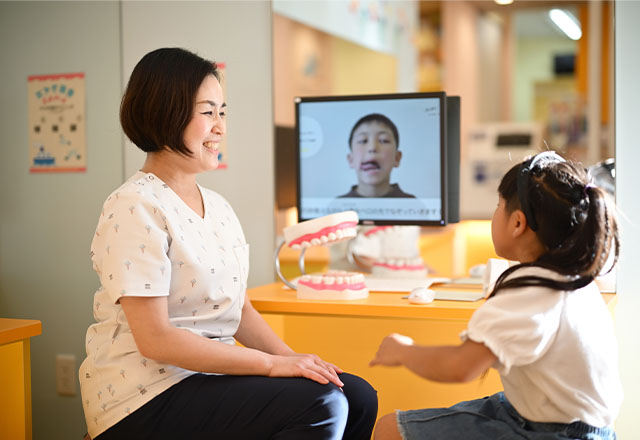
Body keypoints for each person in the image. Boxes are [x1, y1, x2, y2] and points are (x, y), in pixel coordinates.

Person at [79, 47, 377, 440]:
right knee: (322, 404)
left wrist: (294, 360)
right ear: (165, 113)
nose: (220, 126)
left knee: (355, 394)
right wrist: (269, 366)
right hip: (142, 394)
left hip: (208, 378)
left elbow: (240, 310)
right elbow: (155, 340)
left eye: (222, 112)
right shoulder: (134, 205)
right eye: (207, 112)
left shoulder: (218, 207)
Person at [370, 151, 623, 440]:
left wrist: (403, 350)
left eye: (498, 205)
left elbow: (459, 367)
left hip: (552, 431)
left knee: (388, 431)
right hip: (571, 422)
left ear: (517, 223)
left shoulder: (530, 293)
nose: (495, 213)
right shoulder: (574, 280)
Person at [338, 113, 415, 198]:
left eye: (383, 140)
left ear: (397, 158)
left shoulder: (412, 204)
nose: (372, 148)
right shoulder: (337, 206)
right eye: (363, 141)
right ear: (351, 160)